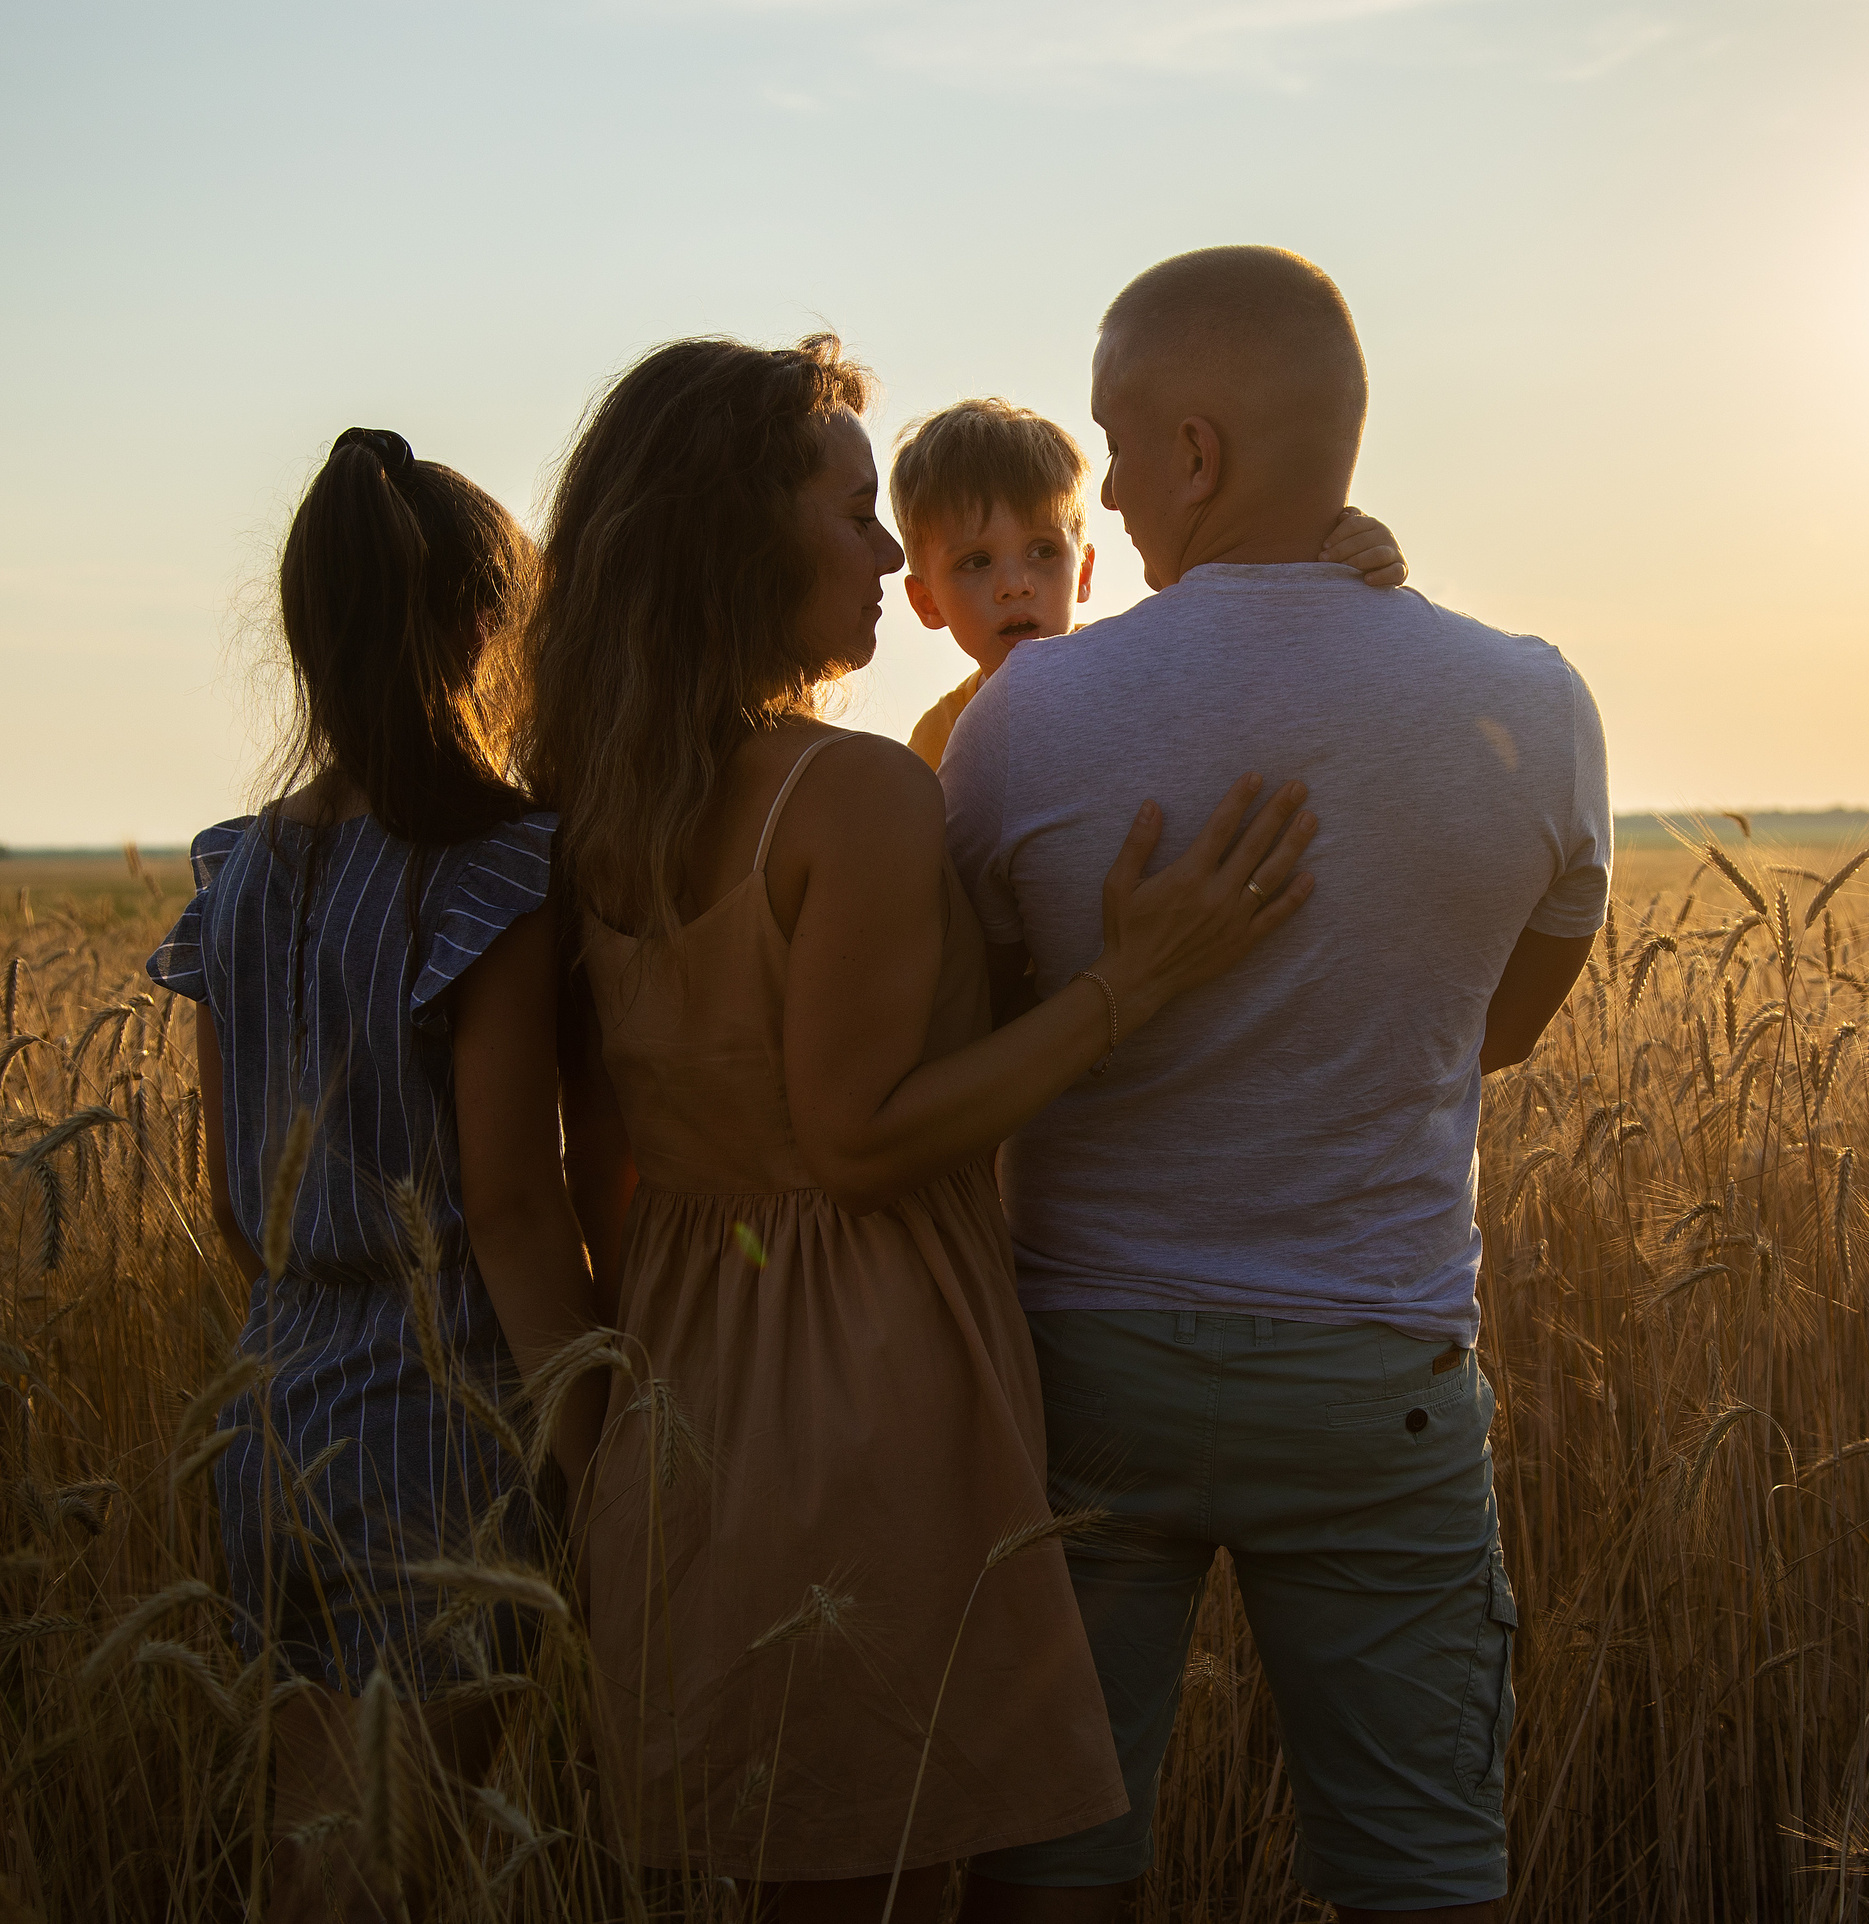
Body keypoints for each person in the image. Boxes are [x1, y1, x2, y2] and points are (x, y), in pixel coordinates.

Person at [523, 332, 1320, 1922]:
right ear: (739, 535)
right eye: (851, 511)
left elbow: (597, 1156)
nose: (892, 549)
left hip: (676, 1379)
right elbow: (860, 1140)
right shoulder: (850, 798)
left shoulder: (596, 798)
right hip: (874, 1386)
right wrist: (1132, 984)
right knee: (885, 1877)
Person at [940, 246, 1612, 1923]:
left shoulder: (1025, 716)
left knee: (1054, 1863)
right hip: (1376, 1368)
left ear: (1195, 451)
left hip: (1086, 1364)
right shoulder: (1535, 703)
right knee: (1423, 1874)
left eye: (1109, 443)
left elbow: (974, 1032)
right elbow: (1498, 1028)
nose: (1096, 491)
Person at [147, 428, 603, 1922]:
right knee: (416, 1860)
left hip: (274, 1401)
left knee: (315, 1847)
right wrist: (594, 1444)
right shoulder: (495, 868)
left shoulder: (241, 870)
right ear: (486, 629)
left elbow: (231, 1195)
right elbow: (514, 1203)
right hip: (443, 1415)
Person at [890, 396, 1407, 771]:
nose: (1015, 585)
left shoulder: (1142, 667)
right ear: (927, 602)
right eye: (976, 562)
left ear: (1084, 573)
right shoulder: (939, 741)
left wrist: (1339, 554)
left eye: (1043, 551)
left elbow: (1267, 652)